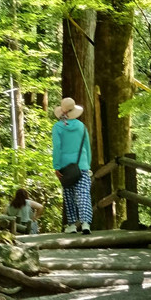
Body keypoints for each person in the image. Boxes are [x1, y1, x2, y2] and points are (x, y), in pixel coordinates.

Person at [52, 97, 92, 234]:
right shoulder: (82, 126)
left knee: (68, 195)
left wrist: (56, 166)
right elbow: (87, 146)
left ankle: (72, 225)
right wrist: (88, 164)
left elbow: (57, 147)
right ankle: (86, 223)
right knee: (84, 194)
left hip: (65, 166)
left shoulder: (57, 127)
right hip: (82, 164)